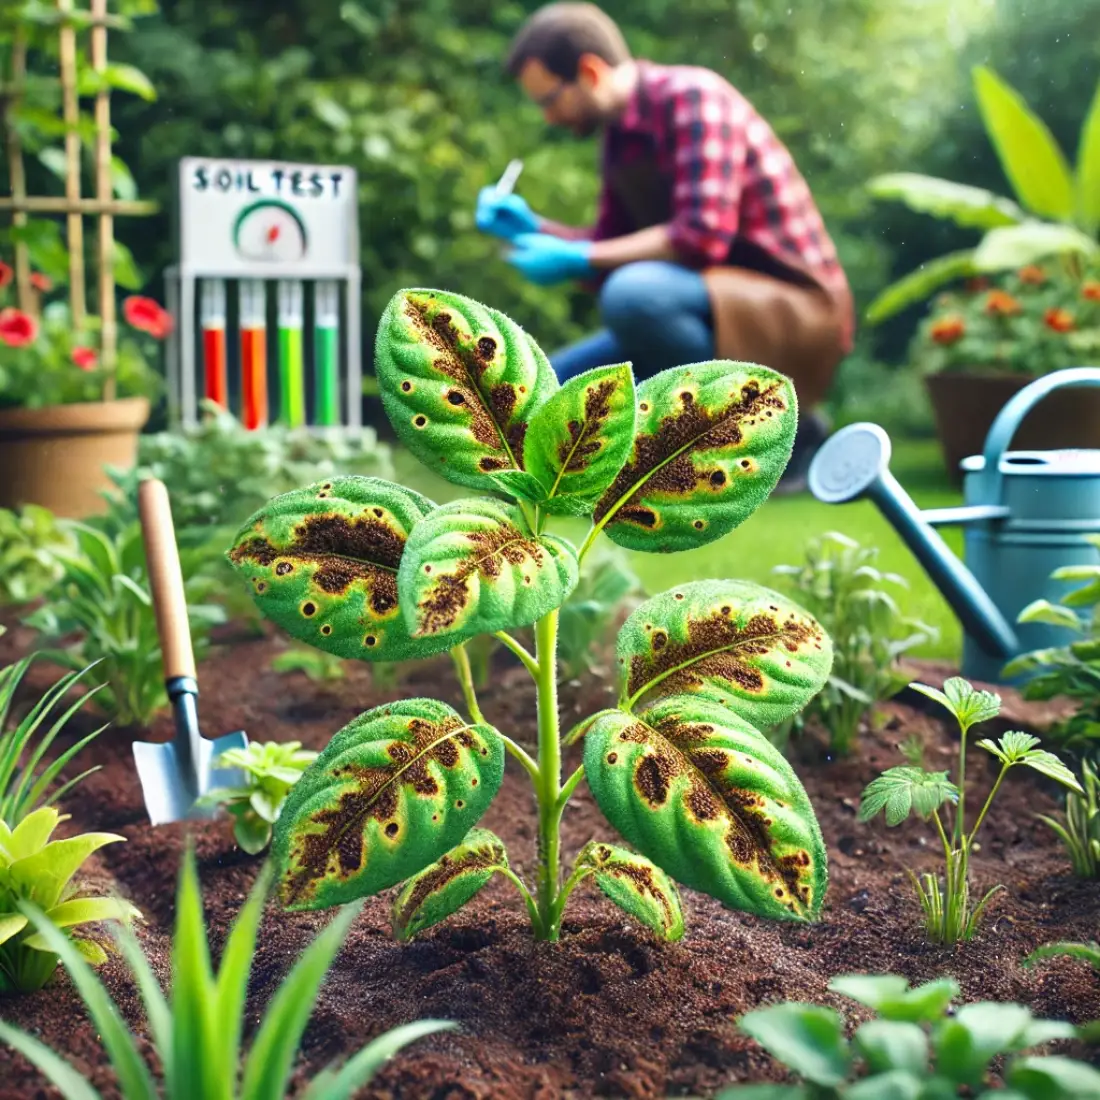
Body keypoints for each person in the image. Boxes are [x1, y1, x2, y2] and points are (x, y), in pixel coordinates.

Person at [475, 1, 854, 492]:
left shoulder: (694, 98)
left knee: (633, 296)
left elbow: (701, 236)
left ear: (589, 72)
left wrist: (580, 258)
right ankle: (722, 437)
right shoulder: (619, 139)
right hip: (703, 308)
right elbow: (615, 247)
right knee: (542, 401)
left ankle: (779, 432)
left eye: (549, 99)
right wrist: (535, 231)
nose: (548, 116)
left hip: (795, 311)